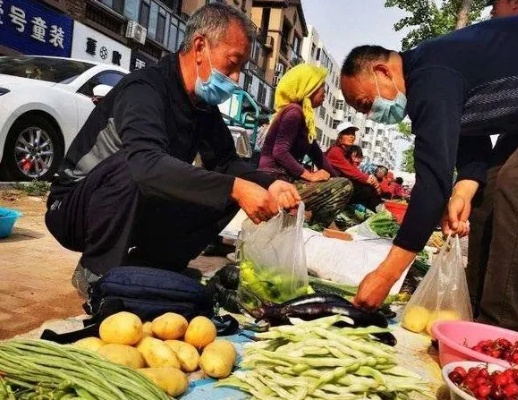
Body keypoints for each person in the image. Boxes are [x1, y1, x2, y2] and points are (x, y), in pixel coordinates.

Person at [340, 13, 518, 333]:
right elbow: (472, 144)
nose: (373, 114)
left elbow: (432, 183)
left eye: (367, 103)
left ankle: (500, 333)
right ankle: (474, 310)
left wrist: (386, 275)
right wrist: (463, 192)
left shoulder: (430, 76)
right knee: (490, 186)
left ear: (382, 70)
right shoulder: (437, 73)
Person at [45, 3, 300, 298]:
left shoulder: (202, 106)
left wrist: (268, 183)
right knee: (139, 165)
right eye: (233, 63)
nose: (235, 79)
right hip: (75, 210)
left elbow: (226, 163)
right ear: (200, 46)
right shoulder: (144, 89)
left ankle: (152, 265)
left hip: (137, 205)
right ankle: (96, 273)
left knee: (227, 192)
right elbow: (145, 166)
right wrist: (235, 187)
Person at [466, 0, 518, 321]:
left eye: (494, 4)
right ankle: (471, 302)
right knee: (485, 197)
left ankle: (502, 322)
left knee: (516, 189)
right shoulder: (508, 35)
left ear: (513, 2)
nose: (491, 11)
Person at [258, 64, 352, 229]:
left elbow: (318, 156)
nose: (325, 93)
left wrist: (335, 177)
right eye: (321, 87)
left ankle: (309, 229)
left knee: (342, 184)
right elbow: (279, 151)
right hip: (274, 180)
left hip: (287, 179)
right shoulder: (294, 112)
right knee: (344, 186)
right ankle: (313, 232)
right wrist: (309, 176)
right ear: (308, 88)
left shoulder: (305, 118)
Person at [326, 122, 381, 211]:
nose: (352, 136)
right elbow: (351, 172)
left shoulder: (346, 153)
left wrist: (372, 181)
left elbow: (356, 171)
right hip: (331, 188)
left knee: (368, 189)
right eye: (348, 134)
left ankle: (379, 212)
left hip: (341, 186)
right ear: (340, 137)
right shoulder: (335, 151)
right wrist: (371, 179)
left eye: (353, 134)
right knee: (366, 190)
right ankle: (380, 212)